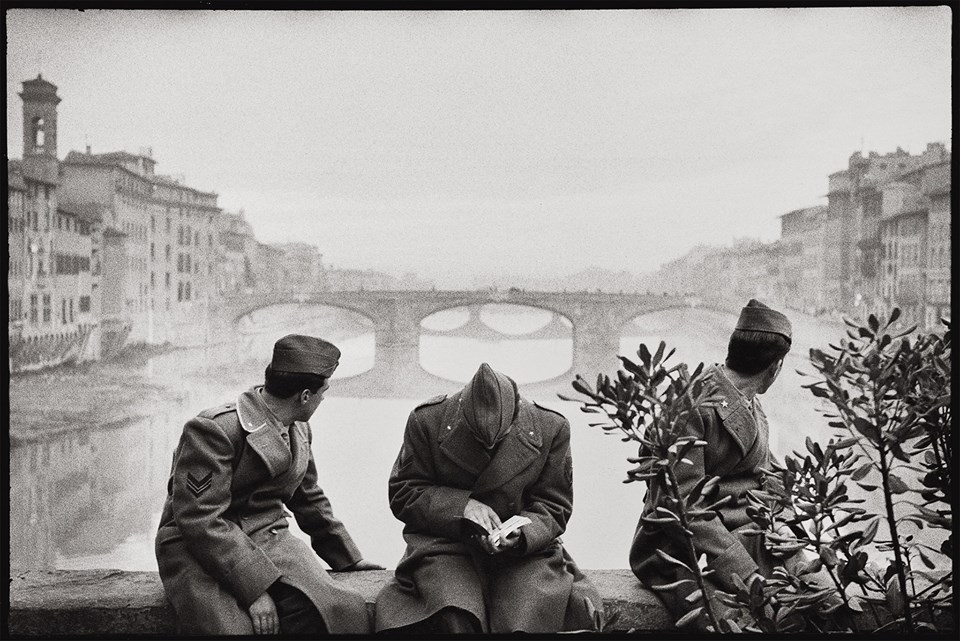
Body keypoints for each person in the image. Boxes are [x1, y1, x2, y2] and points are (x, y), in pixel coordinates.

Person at [155, 334, 383, 635]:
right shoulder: (213, 429)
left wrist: (348, 558)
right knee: (230, 629)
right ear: (304, 396)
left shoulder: (298, 427)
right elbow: (200, 518)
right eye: (322, 392)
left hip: (267, 535)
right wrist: (255, 590)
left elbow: (308, 497)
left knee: (338, 611)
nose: (322, 399)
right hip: (199, 545)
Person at [375, 363, 604, 634]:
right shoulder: (427, 421)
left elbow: (555, 505)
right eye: (477, 439)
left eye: (500, 439)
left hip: (523, 555)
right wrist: (462, 506)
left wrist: (522, 532)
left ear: (516, 418)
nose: (489, 447)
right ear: (461, 415)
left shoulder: (551, 427)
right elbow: (403, 492)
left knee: (523, 620)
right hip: (447, 545)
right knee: (455, 615)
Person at [629, 299, 795, 628]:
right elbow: (683, 506)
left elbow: (769, 473)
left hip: (741, 534)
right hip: (679, 550)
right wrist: (745, 571)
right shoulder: (692, 406)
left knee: (808, 603)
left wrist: (790, 532)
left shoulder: (747, 402)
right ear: (775, 367)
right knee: (735, 624)